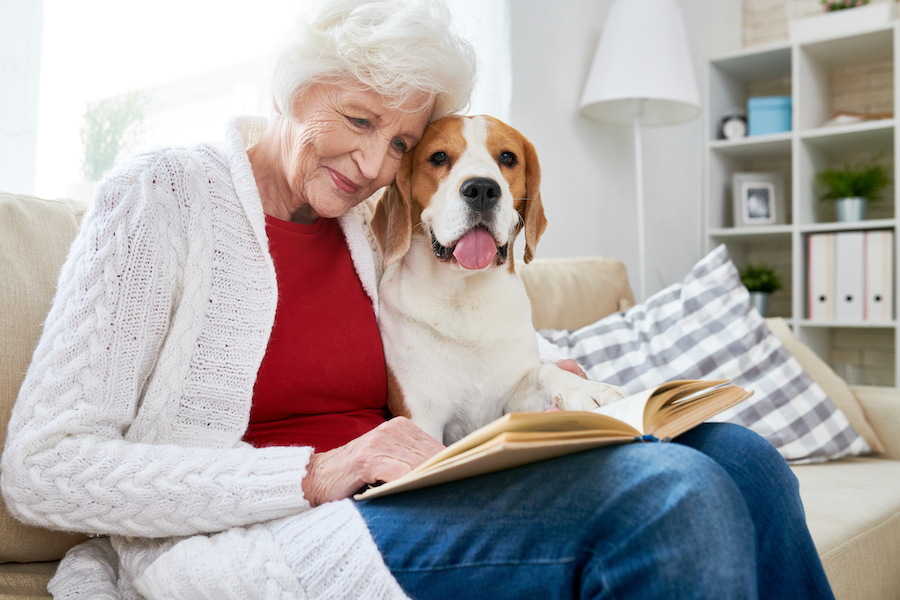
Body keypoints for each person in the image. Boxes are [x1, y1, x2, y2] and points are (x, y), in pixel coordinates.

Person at [1, 1, 834, 598]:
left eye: (398, 141)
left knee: (742, 460)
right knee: (672, 496)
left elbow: (452, 327)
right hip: (275, 533)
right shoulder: (160, 197)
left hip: (417, 488)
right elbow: (42, 471)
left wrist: (548, 371)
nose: (371, 162)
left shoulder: (373, 223)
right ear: (295, 88)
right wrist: (318, 474)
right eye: (356, 119)